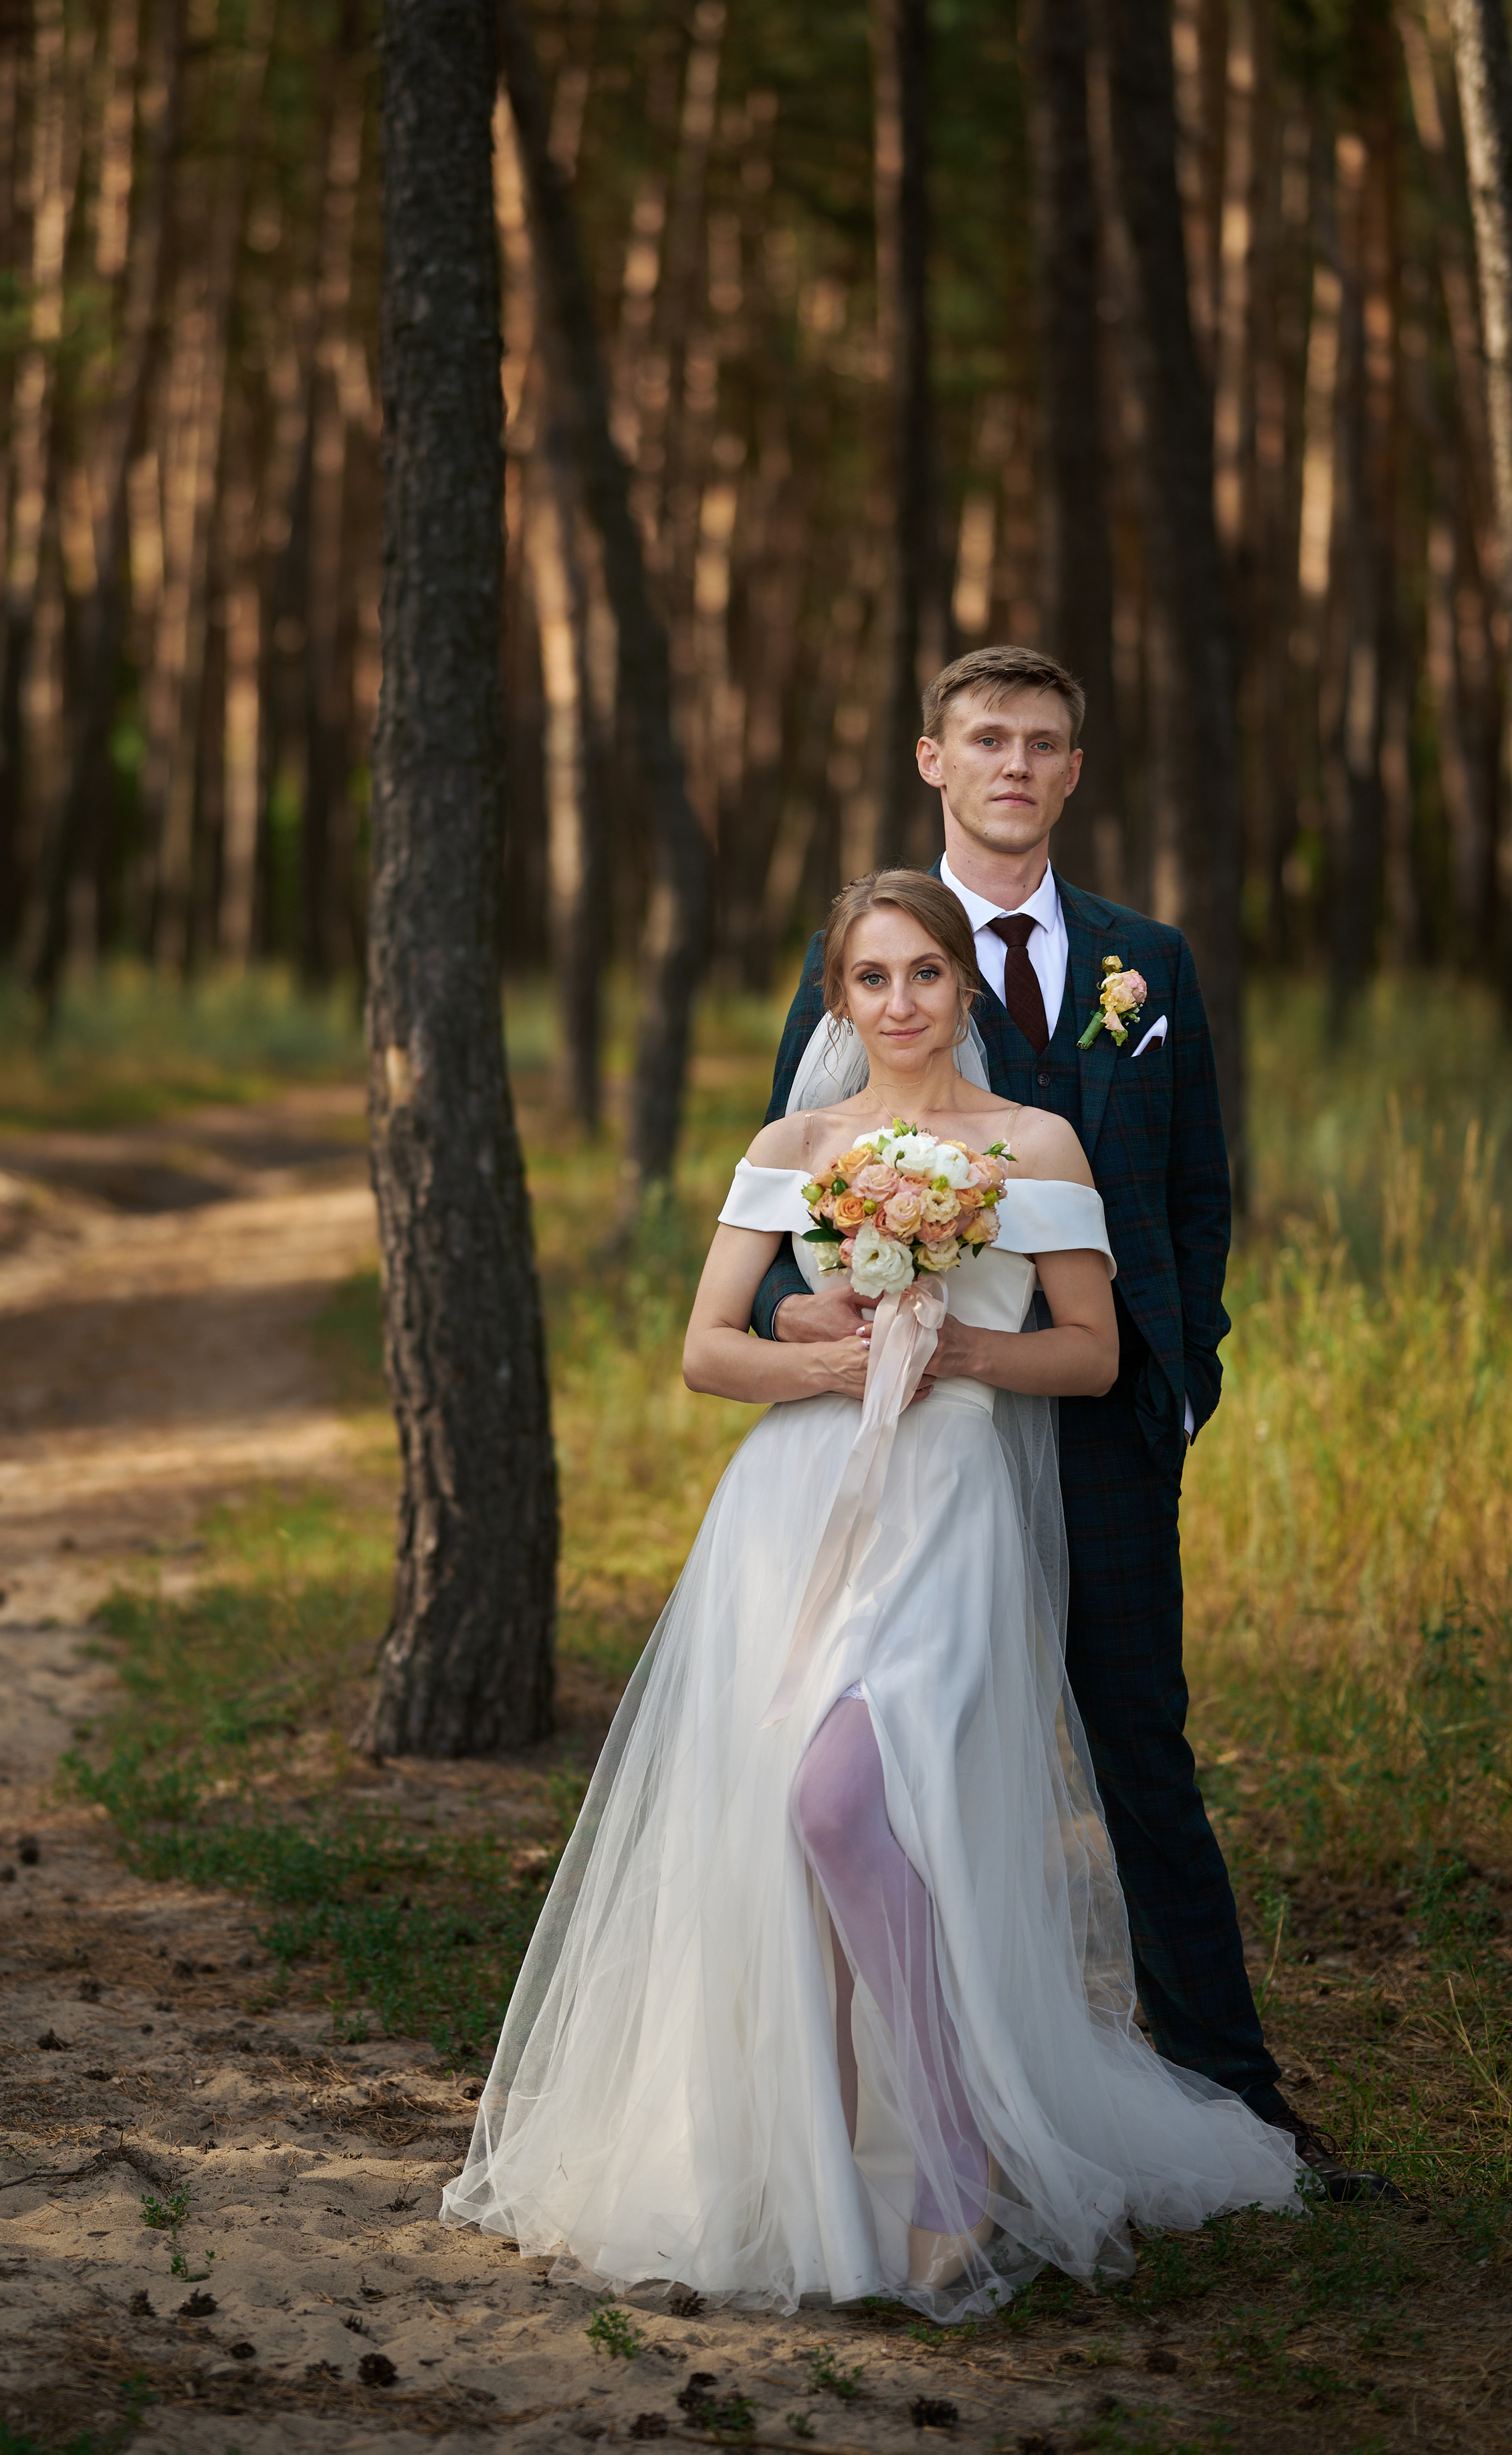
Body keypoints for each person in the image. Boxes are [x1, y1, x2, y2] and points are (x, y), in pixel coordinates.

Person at [443, 869, 1299, 2319]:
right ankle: (829, 2167)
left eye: (923, 974)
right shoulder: (797, 1139)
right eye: (869, 980)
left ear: (964, 987)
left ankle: (953, 2148)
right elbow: (708, 1348)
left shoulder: (1035, 1145)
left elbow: (1088, 1353)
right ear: (836, 1000)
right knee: (786, 1841)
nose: (898, 1004)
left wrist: (954, 1354)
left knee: (838, 1802)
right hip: (792, 1508)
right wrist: (827, 1360)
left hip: (951, 1505)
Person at [752, 643, 1392, 2202]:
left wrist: (1186, 1374)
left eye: (1041, 743)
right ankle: (921, 2116)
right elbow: (789, 1224)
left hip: (1103, 1426)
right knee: (896, 1767)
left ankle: (1236, 2104)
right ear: (932, 761)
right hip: (919, 1456)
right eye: (985, 739)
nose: (1013, 766)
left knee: (1137, 1757)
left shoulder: (1141, 963)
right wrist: (806, 1324)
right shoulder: (863, 961)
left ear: (1071, 771)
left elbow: (1191, 1193)